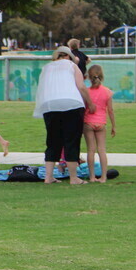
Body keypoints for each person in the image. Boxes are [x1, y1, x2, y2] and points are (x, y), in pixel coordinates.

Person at [33, 46, 96, 185]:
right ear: (69, 57)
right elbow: (81, 86)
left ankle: (48, 176)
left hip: (49, 106)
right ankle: (74, 177)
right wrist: (90, 103)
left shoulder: (47, 68)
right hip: (72, 103)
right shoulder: (72, 66)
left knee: (52, 140)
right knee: (71, 140)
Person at [83, 64, 116, 183]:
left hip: (88, 122)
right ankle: (103, 177)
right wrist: (113, 126)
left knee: (90, 150)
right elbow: (110, 110)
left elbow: (84, 108)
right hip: (101, 122)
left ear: (89, 77)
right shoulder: (107, 92)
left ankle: (92, 176)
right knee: (102, 150)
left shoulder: (86, 92)